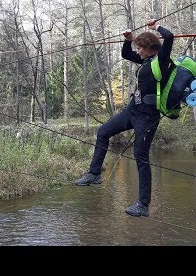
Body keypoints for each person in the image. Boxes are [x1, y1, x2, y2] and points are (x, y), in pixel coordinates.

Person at [74, 19, 174, 217]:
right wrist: (129, 40)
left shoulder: (161, 61)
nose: (137, 52)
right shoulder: (146, 60)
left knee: (141, 156)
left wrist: (156, 27)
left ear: (148, 48)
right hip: (132, 111)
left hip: (147, 116)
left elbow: (169, 37)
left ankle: (143, 205)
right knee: (103, 132)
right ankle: (94, 174)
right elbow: (126, 53)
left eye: (139, 48)